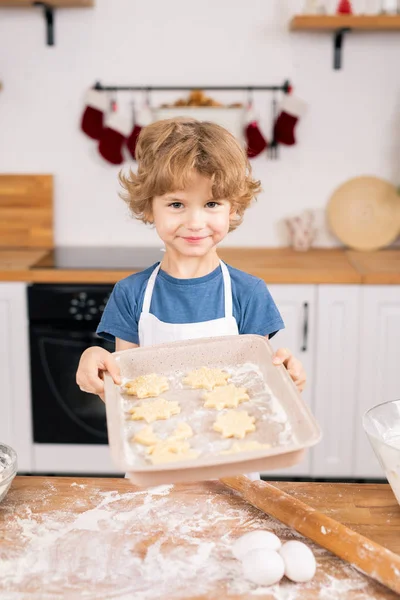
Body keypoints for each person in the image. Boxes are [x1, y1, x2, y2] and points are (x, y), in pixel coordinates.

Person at [76, 119, 307, 477]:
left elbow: (258, 391)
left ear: (234, 209)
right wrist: (96, 360)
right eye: (177, 204)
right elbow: (127, 392)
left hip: (237, 462)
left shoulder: (249, 293)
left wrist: (286, 381)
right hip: (157, 462)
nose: (196, 222)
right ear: (149, 208)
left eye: (212, 203)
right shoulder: (132, 293)